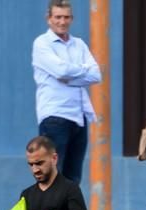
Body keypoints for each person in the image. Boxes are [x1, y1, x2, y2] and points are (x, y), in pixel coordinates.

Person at [32, 0, 101, 184]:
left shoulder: (78, 44)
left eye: (66, 17)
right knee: (52, 175)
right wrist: (79, 71)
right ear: (49, 19)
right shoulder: (42, 43)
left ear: (72, 19)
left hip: (79, 116)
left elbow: (95, 74)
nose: (62, 22)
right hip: (55, 115)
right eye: (58, 17)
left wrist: (68, 75)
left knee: (73, 178)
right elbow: (60, 71)